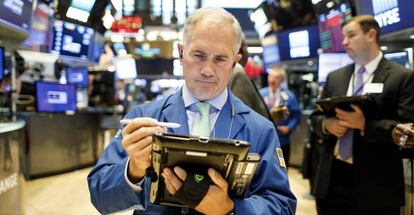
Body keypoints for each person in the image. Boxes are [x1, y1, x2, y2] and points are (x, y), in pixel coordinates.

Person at [88, 7, 296, 215]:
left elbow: (282, 206)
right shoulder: (143, 118)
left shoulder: (260, 130)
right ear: (181, 53)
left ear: (235, 62)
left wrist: (231, 209)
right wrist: (133, 169)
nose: (207, 70)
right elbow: (99, 195)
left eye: (220, 59)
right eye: (199, 55)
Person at [310, 15, 414, 215]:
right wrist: (326, 124)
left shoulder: (402, 77)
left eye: (351, 35)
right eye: (343, 36)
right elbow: (314, 117)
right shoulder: (336, 77)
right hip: (332, 180)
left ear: (371, 35)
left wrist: (365, 125)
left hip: (376, 187)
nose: (344, 42)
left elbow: (407, 132)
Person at [259, 67, 301, 167]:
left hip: (282, 139)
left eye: (276, 77)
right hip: (264, 139)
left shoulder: (288, 95)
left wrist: (289, 128)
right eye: (271, 76)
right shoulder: (260, 93)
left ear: (281, 80)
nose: (272, 80)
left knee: (283, 167)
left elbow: (296, 115)